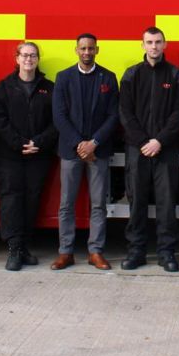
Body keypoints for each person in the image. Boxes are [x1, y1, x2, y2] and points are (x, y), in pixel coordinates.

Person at [119, 27, 179, 272]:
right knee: (136, 201)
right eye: (149, 42)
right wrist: (142, 142)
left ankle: (166, 253)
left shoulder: (176, 75)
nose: (154, 47)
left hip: (165, 148)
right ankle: (136, 252)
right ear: (142, 45)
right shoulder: (131, 75)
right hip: (137, 149)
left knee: (166, 202)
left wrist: (159, 141)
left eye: (158, 42)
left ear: (165, 44)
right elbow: (125, 112)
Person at [51, 33, 120, 271]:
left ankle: (95, 251)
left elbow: (114, 116)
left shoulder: (109, 78)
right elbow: (59, 116)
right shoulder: (63, 78)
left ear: (97, 50)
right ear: (76, 50)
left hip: (98, 151)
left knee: (98, 204)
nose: (87, 52)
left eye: (91, 48)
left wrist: (94, 143)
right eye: (83, 48)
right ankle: (65, 252)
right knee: (66, 204)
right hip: (71, 151)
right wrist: (80, 145)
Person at [0, 41, 57, 271]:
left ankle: (25, 246)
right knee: (11, 200)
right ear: (16, 59)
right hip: (10, 156)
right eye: (24, 55)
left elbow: (56, 122)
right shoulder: (3, 88)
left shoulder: (49, 88)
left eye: (33, 55)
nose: (29, 59)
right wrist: (20, 144)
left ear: (38, 60)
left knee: (32, 200)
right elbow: (0, 122)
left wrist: (38, 142)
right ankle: (14, 249)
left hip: (38, 155)